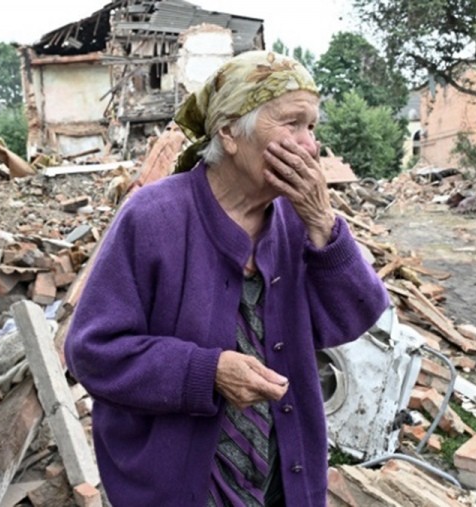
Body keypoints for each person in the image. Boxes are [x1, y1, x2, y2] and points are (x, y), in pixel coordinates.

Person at [64, 50, 390, 506]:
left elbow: (356, 317)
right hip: (177, 490)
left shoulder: (298, 221)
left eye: (312, 127)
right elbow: (92, 354)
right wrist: (207, 372)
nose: (310, 145)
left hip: (282, 482)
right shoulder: (154, 217)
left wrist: (323, 224)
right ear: (229, 132)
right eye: (292, 123)